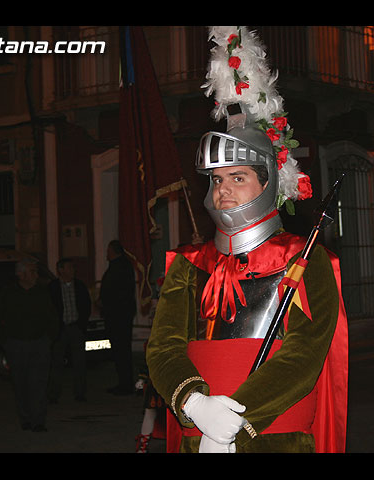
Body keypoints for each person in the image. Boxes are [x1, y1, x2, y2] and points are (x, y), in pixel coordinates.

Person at [146, 25, 348, 454]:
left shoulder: (306, 259)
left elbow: (303, 357)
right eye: (217, 179)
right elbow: (163, 347)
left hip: (275, 438)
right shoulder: (187, 265)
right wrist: (196, 405)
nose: (223, 190)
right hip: (197, 435)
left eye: (237, 177)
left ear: (267, 183)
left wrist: (236, 419)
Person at [0, 257, 59, 432]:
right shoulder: (8, 293)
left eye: (36, 271)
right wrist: (6, 342)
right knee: (20, 383)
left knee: (39, 383)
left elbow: (53, 317)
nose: (36, 275)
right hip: (16, 344)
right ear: (21, 274)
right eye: (32, 271)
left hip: (39, 344)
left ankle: (38, 420)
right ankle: (25, 418)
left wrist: (48, 339)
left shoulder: (42, 293)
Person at [48, 257, 92, 403]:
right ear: (61, 270)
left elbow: (86, 305)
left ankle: (80, 393)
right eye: (69, 267)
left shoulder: (79, 286)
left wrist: (81, 325)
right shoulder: (53, 287)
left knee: (79, 362)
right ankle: (54, 394)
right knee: (56, 362)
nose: (73, 270)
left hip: (75, 327)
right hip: (60, 329)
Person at [99, 240, 136, 395]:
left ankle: (125, 384)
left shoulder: (119, 268)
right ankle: (124, 382)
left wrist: (105, 303)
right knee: (122, 350)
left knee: (121, 350)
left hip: (118, 316)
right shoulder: (123, 266)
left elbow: (115, 292)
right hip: (120, 314)